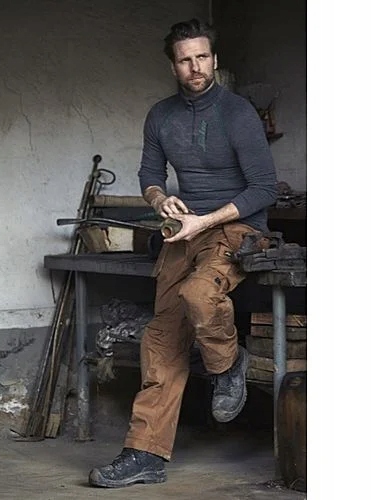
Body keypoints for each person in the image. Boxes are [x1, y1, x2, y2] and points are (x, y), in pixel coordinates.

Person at [89, 18, 278, 488]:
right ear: (173, 66)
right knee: (161, 337)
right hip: (185, 230)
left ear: (214, 59)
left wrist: (205, 220)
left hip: (236, 228)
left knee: (198, 294)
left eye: (202, 57)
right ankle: (145, 454)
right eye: (185, 60)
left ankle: (228, 363)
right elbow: (149, 174)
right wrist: (160, 200)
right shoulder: (161, 116)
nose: (196, 68)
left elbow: (265, 188)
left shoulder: (238, 113)